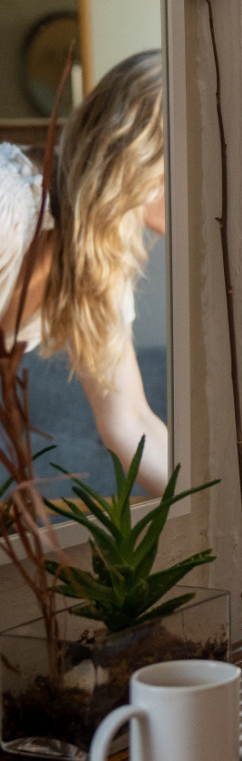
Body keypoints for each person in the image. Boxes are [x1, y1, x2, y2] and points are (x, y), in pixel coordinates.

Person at [0, 49, 168, 497]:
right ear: (146, 157)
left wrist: (219, 514)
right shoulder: (9, 205)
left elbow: (129, 421)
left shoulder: (99, 257)